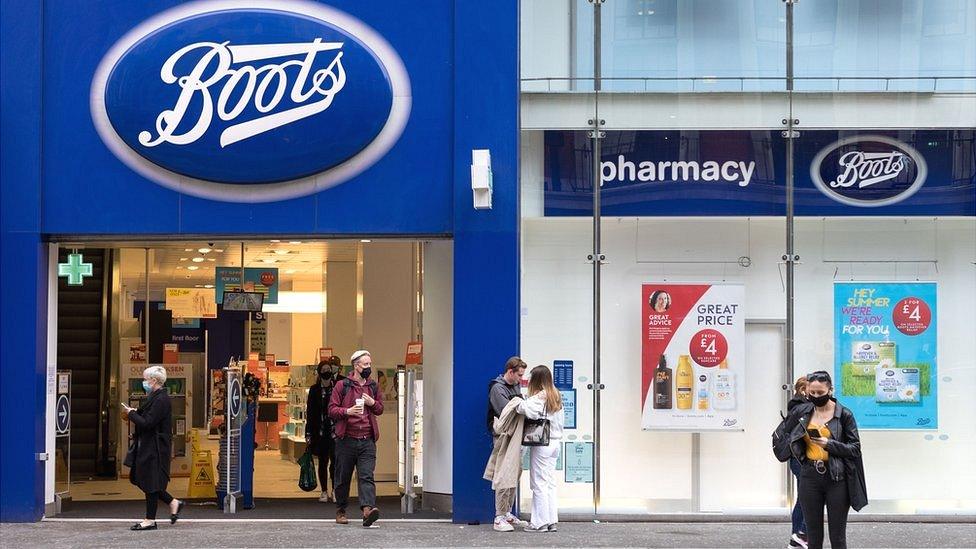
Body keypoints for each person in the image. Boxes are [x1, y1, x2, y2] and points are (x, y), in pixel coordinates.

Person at [784, 371, 867, 549]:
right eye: (811, 393)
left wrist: (829, 444)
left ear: (830, 390)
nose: (815, 396)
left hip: (836, 477)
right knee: (813, 537)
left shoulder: (844, 415)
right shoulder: (803, 412)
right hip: (809, 475)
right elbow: (785, 433)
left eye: (820, 393)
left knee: (837, 537)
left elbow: (855, 448)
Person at [122, 365, 184, 531]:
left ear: (154, 381)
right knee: (148, 481)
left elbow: (148, 423)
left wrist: (131, 414)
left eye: (146, 380)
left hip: (155, 448)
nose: (144, 382)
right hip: (150, 446)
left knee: (150, 481)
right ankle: (173, 503)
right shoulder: (156, 397)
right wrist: (135, 412)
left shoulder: (161, 400)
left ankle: (150, 519)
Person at [328, 350, 383, 527]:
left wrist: (372, 403)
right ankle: (341, 510)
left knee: (366, 475)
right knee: (343, 477)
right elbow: (331, 410)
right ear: (356, 365)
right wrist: (347, 411)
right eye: (365, 364)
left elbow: (379, 409)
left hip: (367, 440)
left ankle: (367, 510)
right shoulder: (342, 386)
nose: (368, 367)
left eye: (369, 364)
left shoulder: (373, 386)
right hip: (346, 439)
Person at [517, 365, 564, 533]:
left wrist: (520, 402)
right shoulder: (555, 394)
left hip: (542, 444)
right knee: (550, 482)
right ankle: (552, 521)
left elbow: (526, 409)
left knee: (539, 483)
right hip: (555, 443)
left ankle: (539, 523)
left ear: (537, 380)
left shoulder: (540, 396)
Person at [486, 356, 527, 532]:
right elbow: (507, 413)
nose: (521, 379)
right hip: (503, 435)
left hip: (515, 435)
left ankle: (507, 512)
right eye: (519, 375)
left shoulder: (513, 386)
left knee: (513, 474)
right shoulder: (498, 388)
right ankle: (499, 517)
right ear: (510, 372)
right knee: (504, 474)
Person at [306, 357, 344, 503]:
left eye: (329, 370)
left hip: (335, 431)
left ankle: (335, 490)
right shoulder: (315, 390)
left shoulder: (337, 387)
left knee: (335, 462)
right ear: (319, 373)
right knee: (322, 462)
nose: (327, 373)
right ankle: (323, 491)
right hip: (320, 432)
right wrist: (308, 433)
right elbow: (310, 412)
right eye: (324, 371)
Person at [787, 376, 809, 549]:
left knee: (803, 499)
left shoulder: (796, 406)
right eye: (813, 390)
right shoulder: (801, 409)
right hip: (801, 459)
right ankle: (802, 535)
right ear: (803, 390)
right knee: (808, 498)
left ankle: (798, 536)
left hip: (798, 459)